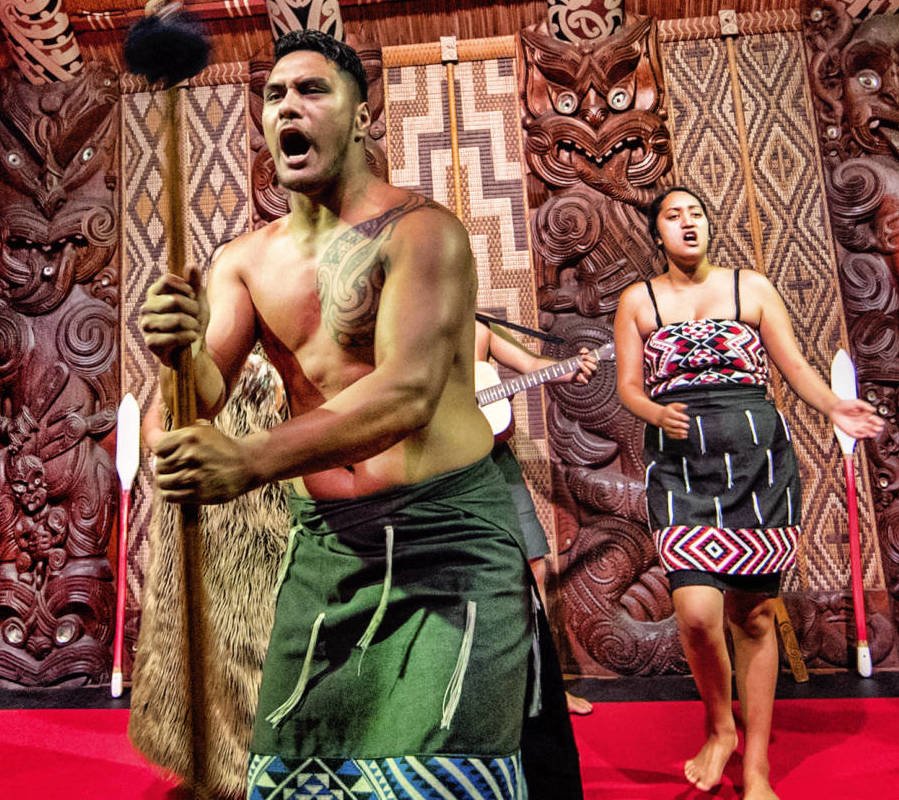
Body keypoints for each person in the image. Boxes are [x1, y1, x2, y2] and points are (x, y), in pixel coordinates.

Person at [139, 30, 580, 800]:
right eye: (275, 95)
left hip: (445, 543)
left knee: (440, 780)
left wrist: (246, 461)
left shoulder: (423, 232)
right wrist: (175, 358)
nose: (288, 108)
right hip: (326, 556)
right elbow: (192, 406)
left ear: (361, 115)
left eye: (312, 90)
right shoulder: (245, 261)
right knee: (304, 783)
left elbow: (406, 394)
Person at [613, 186, 883, 800]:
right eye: (673, 216)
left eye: (696, 214)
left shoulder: (750, 289)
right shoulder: (639, 301)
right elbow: (629, 384)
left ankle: (755, 766)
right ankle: (719, 726)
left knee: (754, 615)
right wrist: (653, 412)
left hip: (758, 463)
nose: (688, 224)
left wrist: (836, 406)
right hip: (681, 467)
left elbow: (794, 368)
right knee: (699, 615)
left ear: (709, 226)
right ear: (657, 233)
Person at [475, 319, 595, 715]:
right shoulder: (404, 321)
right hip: (436, 468)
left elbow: (529, 364)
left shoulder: (478, 327)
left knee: (533, 567)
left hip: (494, 462)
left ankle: (549, 690)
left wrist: (566, 369)